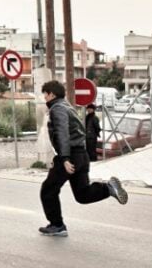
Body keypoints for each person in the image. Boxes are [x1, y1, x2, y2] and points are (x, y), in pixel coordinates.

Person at [39, 80, 128, 236]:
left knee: (48, 190)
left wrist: (65, 158)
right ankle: (108, 188)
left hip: (69, 156)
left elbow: (62, 133)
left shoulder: (57, 109)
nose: (44, 98)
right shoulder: (68, 107)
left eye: (45, 94)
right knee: (83, 194)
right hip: (81, 155)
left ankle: (57, 225)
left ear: (51, 94)